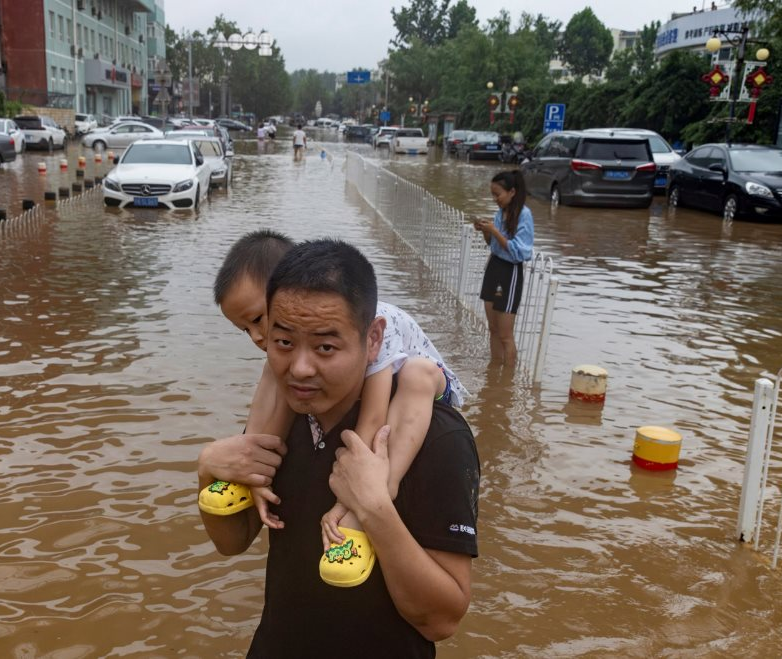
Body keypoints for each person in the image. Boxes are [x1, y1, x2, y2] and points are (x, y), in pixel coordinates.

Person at [198, 239, 479, 656]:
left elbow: (442, 619)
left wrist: (374, 508)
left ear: (373, 339)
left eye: (325, 346)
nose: (301, 368)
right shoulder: (288, 411)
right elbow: (233, 541)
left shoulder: (435, 438)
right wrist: (208, 470)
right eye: (282, 342)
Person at [473, 169, 534, 365]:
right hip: (494, 267)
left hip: (509, 272)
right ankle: (494, 374)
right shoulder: (500, 213)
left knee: (505, 334)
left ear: (512, 192)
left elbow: (520, 253)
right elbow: (493, 245)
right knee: (493, 328)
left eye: (497, 194)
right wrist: (485, 230)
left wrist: (495, 231)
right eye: (492, 194)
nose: (495, 199)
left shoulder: (524, 215)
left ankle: (506, 383)